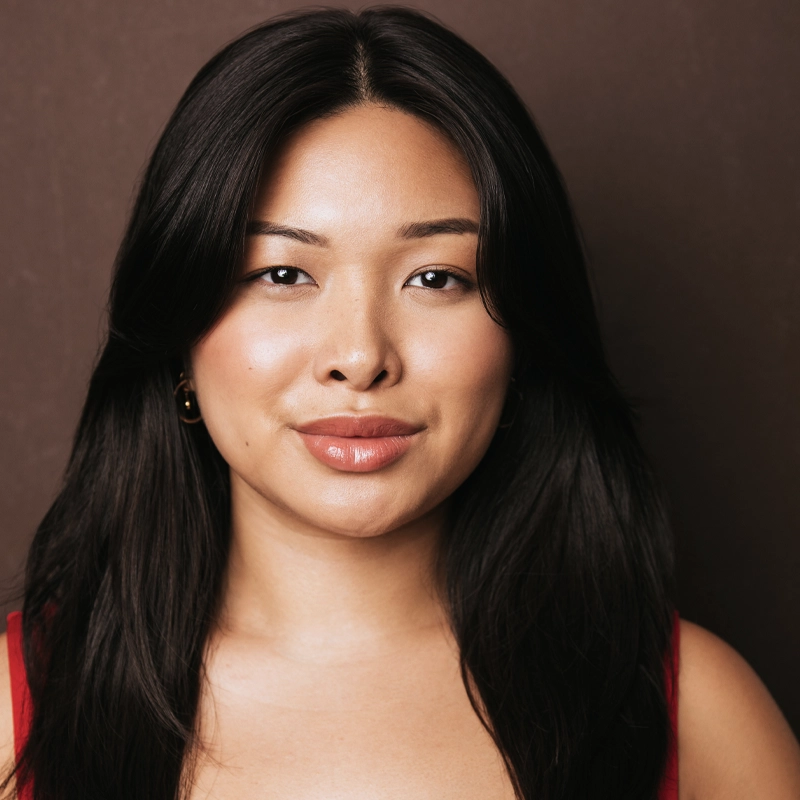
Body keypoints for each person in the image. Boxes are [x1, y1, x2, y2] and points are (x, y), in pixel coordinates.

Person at [1, 6, 799, 799]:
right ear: (177, 334)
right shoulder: (15, 716)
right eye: (283, 275)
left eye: (436, 278)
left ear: (524, 335)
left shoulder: (693, 713)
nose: (360, 357)